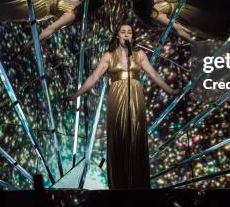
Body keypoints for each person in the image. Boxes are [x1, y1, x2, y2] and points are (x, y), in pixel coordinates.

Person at [69, 24, 179, 189]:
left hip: (135, 96)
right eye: (123, 32)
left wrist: (170, 91)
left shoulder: (139, 54)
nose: (126, 34)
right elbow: (94, 77)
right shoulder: (108, 56)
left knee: (136, 134)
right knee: (119, 135)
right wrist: (76, 94)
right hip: (117, 97)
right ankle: (119, 184)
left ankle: (138, 183)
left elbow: (154, 74)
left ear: (132, 36)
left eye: (129, 32)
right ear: (117, 36)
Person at [132, 0, 230, 43]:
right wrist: (194, 43)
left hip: (191, 6)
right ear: (146, 0)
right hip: (190, 16)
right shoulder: (154, 14)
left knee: (219, 11)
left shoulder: (155, 0)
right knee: (215, 22)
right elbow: (177, 29)